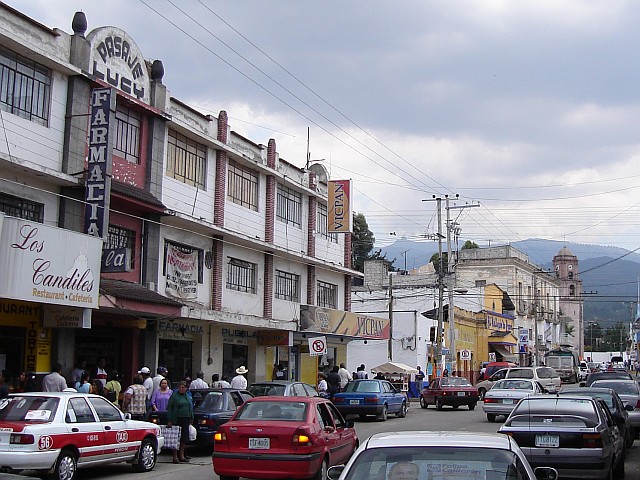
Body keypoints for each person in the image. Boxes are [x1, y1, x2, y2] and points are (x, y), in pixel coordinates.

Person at [167, 380, 193, 464]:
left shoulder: (187, 396)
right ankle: (175, 456)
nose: (181, 389)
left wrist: (191, 417)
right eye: (180, 387)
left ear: (186, 388)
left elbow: (190, 407)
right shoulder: (174, 396)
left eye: (183, 387)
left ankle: (181, 455)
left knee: (183, 438)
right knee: (175, 438)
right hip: (176, 419)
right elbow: (170, 408)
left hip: (186, 419)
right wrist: (169, 420)